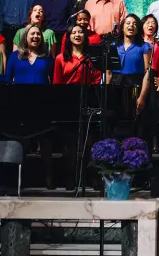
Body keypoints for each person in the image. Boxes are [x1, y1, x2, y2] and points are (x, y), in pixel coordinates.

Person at [50, 24, 100, 189]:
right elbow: (57, 84)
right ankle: (71, 179)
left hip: (89, 100)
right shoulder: (60, 59)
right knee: (70, 145)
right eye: (74, 32)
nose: (77, 34)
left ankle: (91, 178)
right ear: (68, 36)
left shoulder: (91, 57)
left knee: (90, 142)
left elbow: (96, 78)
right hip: (68, 103)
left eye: (80, 32)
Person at [107, 14, 152, 118]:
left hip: (134, 86)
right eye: (128, 23)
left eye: (134, 24)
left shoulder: (144, 47)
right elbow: (108, 73)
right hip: (115, 85)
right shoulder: (113, 46)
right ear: (122, 27)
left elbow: (147, 73)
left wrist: (142, 97)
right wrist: (107, 94)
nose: (131, 25)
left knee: (132, 121)